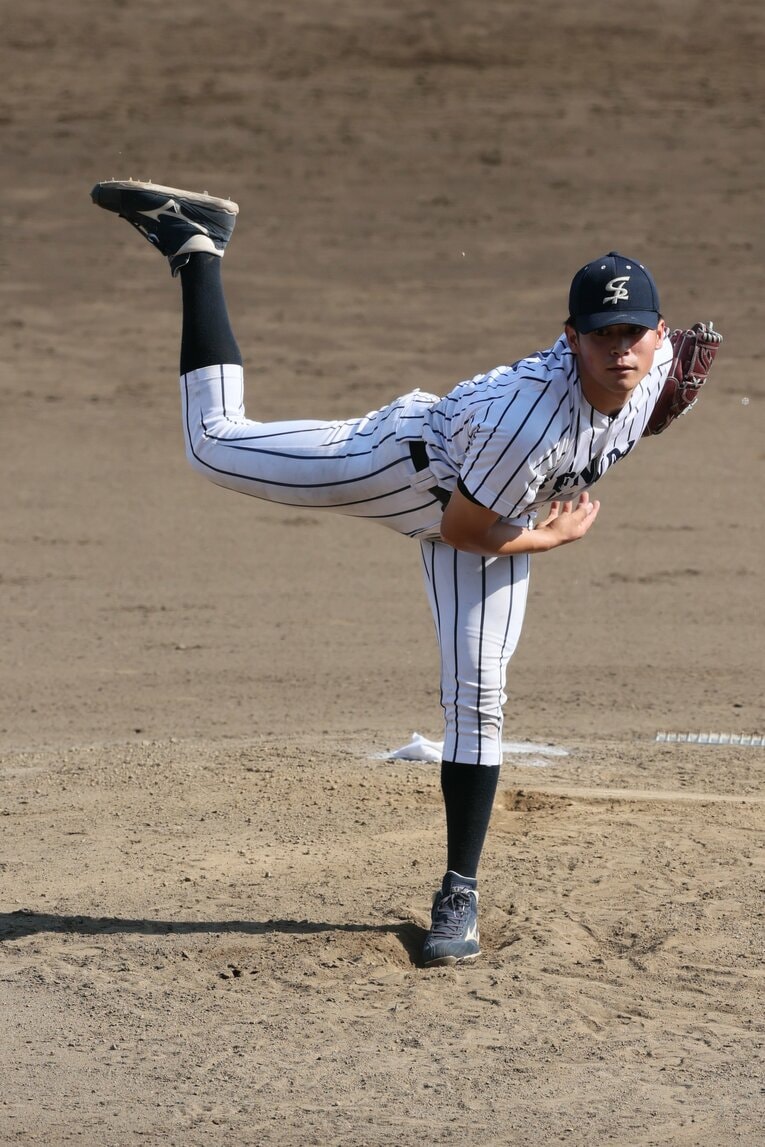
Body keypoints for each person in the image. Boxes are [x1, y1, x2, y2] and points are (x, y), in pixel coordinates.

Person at [90, 181, 697, 967]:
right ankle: (195, 247)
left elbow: (643, 395)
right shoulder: (525, 426)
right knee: (212, 443)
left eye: (633, 332)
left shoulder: (657, 362)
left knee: (477, 694)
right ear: (569, 337)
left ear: (657, 333)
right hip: (407, 471)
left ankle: (458, 889)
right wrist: (549, 540)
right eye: (599, 333)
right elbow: (464, 531)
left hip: (494, 503)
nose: (620, 349)